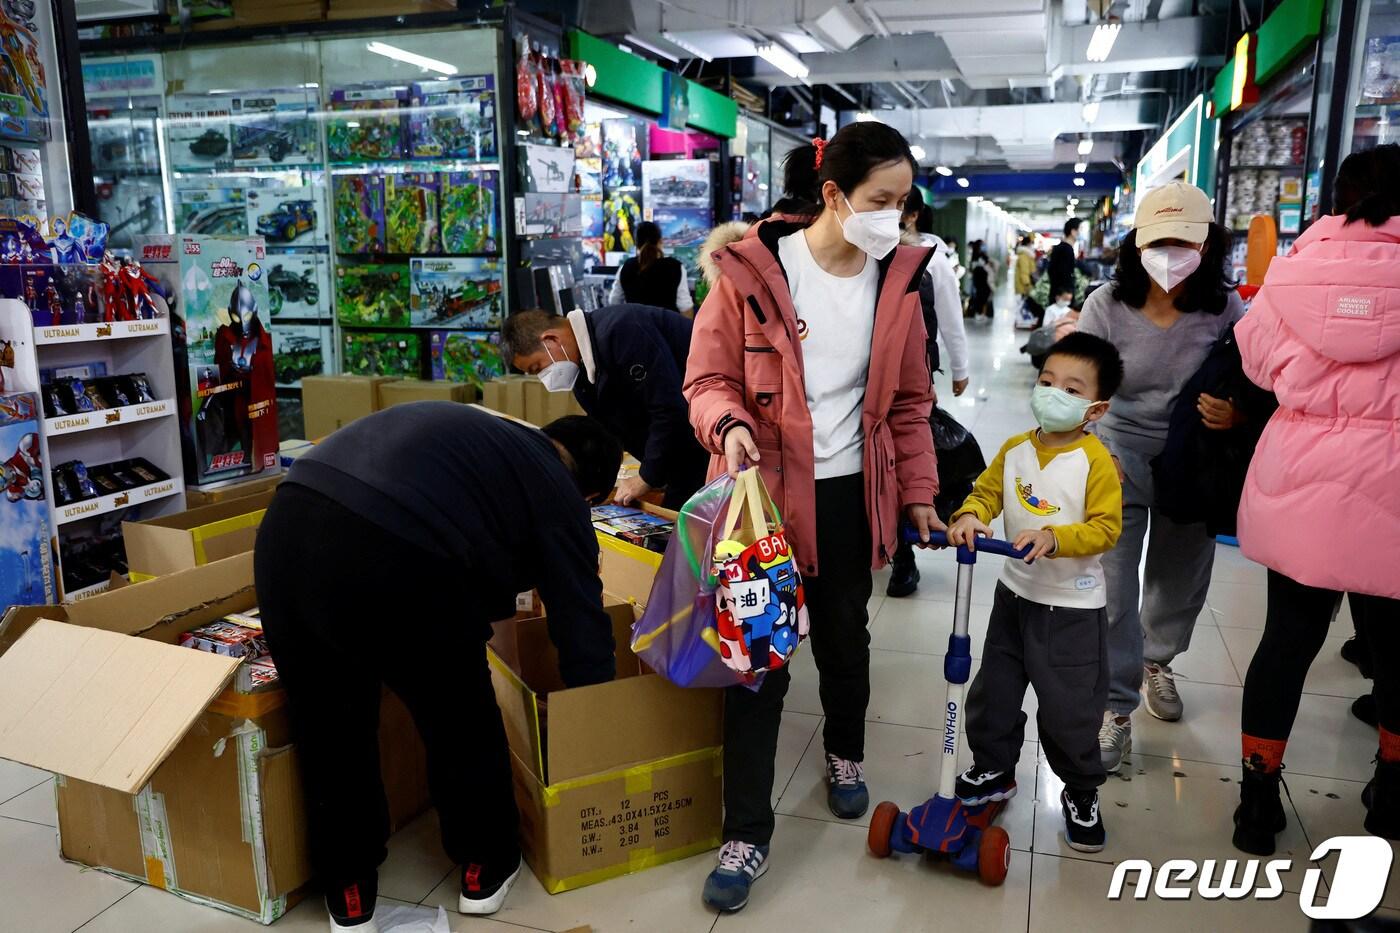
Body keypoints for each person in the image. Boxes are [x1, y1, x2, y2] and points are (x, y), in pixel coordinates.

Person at [684, 122, 941, 912]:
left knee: (844, 641)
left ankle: (846, 752)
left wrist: (919, 491)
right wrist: (729, 426)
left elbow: (910, 402)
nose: (895, 218)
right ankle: (745, 833)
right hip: (760, 498)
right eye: (881, 200)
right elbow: (707, 380)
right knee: (757, 665)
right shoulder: (751, 272)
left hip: (850, 494)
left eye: (904, 203)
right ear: (833, 194)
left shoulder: (899, 283)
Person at [254, 405, 623, 932]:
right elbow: (580, 621)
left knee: (329, 726)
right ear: (593, 494)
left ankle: (348, 896)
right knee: (458, 717)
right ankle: (485, 868)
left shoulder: (491, 444)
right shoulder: (558, 488)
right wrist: (597, 727)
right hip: (394, 547)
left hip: (285, 533)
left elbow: (493, 587)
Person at [1230, 144, 1400, 854]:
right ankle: (1392, 797)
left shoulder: (1293, 272)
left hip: (1302, 477)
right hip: (1392, 485)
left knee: (1285, 642)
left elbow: (1255, 361)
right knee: (1395, 649)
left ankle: (1256, 804)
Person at [1076, 181, 1245, 772]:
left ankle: (1157, 660)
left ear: (1208, 245)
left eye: (1184, 242)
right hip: (1117, 455)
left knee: (1179, 578)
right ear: (1137, 245)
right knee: (1113, 588)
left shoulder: (1224, 308)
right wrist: (1094, 447)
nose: (1170, 254)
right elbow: (1077, 386)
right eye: (1158, 242)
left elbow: (1250, 374)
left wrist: (1235, 413)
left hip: (1191, 460)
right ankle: (1115, 704)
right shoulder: (1106, 305)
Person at [949, 332, 1124, 852]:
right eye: (1047, 382)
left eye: (1071, 390)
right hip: (1014, 597)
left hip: (1072, 610)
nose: (1053, 394)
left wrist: (1054, 537)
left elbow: (1106, 528)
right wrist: (970, 514)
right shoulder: (1015, 449)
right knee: (994, 693)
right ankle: (994, 766)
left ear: (1096, 409)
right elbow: (986, 492)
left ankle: (1081, 789)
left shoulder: (1096, 461)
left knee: (1070, 710)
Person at [504, 304, 708, 509]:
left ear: (551, 339)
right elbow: (609, 430)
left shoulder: (623, 330)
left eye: (538, 367)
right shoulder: (582, 373)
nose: (544, 378)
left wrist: (647, 476)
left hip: (706, 445)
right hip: (679, 457)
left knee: (685, 520)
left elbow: (669, 409)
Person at [886, 187, 971, 597]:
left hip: (915, 374)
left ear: (913, 214)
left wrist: (961, 366)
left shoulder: (932, 257)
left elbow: (951, 314)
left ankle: (904, 555)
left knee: (904, 457)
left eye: (897, 204)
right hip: (869, 378)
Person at [607, 220, 694, 314]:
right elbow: (686, 308)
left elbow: (614, 302)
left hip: (633, 323)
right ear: (660, 241)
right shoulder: (676, 267)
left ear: (636, 244)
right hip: (666, 323)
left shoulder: (625, 268)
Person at [1049, 218, 1081, 300]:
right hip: (1062, 296)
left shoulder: (1060, 247)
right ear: (1073, 231)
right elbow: (1064, 274)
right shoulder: (1066, 250)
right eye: (1080, 229)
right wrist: (1067, 292)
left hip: (1057, 293)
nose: (1081, 233)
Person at [968, 240, 996, 320]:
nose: (984, 246)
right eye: (982, 245)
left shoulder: (983, 255)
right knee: (980, 296)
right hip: (979, 279)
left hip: (984, 279)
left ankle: (983, 313)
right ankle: (978, 312)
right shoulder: (975, 255)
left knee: (985, 295)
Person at [1014, 234, 1036, 299]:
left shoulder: (1026, 254)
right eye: (1031, 243)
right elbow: (1024, 271)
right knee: (1023, 300)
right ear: (1028, 243)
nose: (1032, 245)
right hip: (1023, 284)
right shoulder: (1024, 255)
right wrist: (1027, 283)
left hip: (1024, 281)